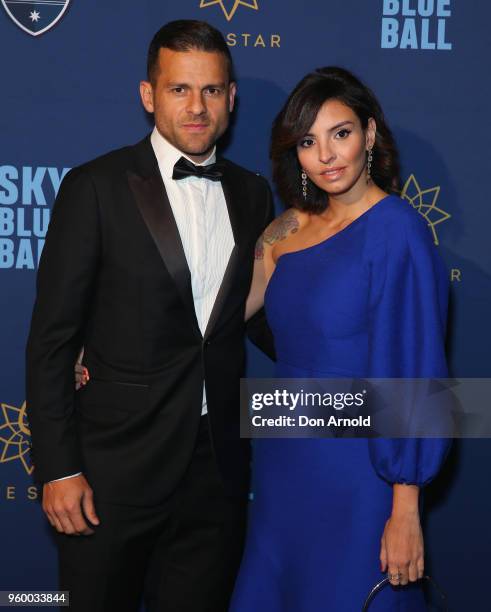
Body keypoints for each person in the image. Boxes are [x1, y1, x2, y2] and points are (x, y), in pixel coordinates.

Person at [25, 20, 273, 612]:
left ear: (231, 99)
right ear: (148, 95)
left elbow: (250, 314)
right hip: (112, 471)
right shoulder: (95, 187)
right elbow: (52, 342)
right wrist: (58, 469)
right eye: (179, 89)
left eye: (211, 90)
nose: (197, 107)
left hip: (216, 473)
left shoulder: (252, 193)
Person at [230, 67, 451, 611]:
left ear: (370, 136)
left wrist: (404, 509)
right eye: (309, 141)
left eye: (341, 133)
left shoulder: (398, 229)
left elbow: (414, 371)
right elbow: (212, 320)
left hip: (360, 475)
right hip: (284, 466)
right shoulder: (285, 231)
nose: (327, 155)